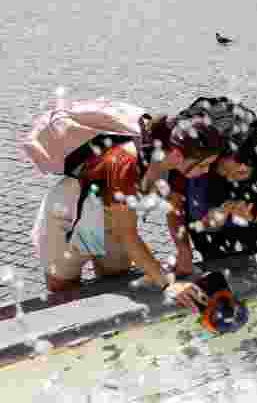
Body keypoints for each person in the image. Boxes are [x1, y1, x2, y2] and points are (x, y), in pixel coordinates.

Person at [38, 112, 226, 310]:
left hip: (110, 219)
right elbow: (128, 235)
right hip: (71, 217)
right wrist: (169, 285)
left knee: (117, 282)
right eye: (203, 164)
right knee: (65, 292)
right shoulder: (125, 163)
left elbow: (175, 207)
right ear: (178, 155)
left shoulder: (177, 164)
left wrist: (184, 251)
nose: (206, 171)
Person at [168, 99, 257, 275]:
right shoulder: (199, 163)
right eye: (223, 171)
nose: (230, 178)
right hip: (210, 239)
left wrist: (255, 217)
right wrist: (205, 228)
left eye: (240, 173)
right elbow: (174, 209)